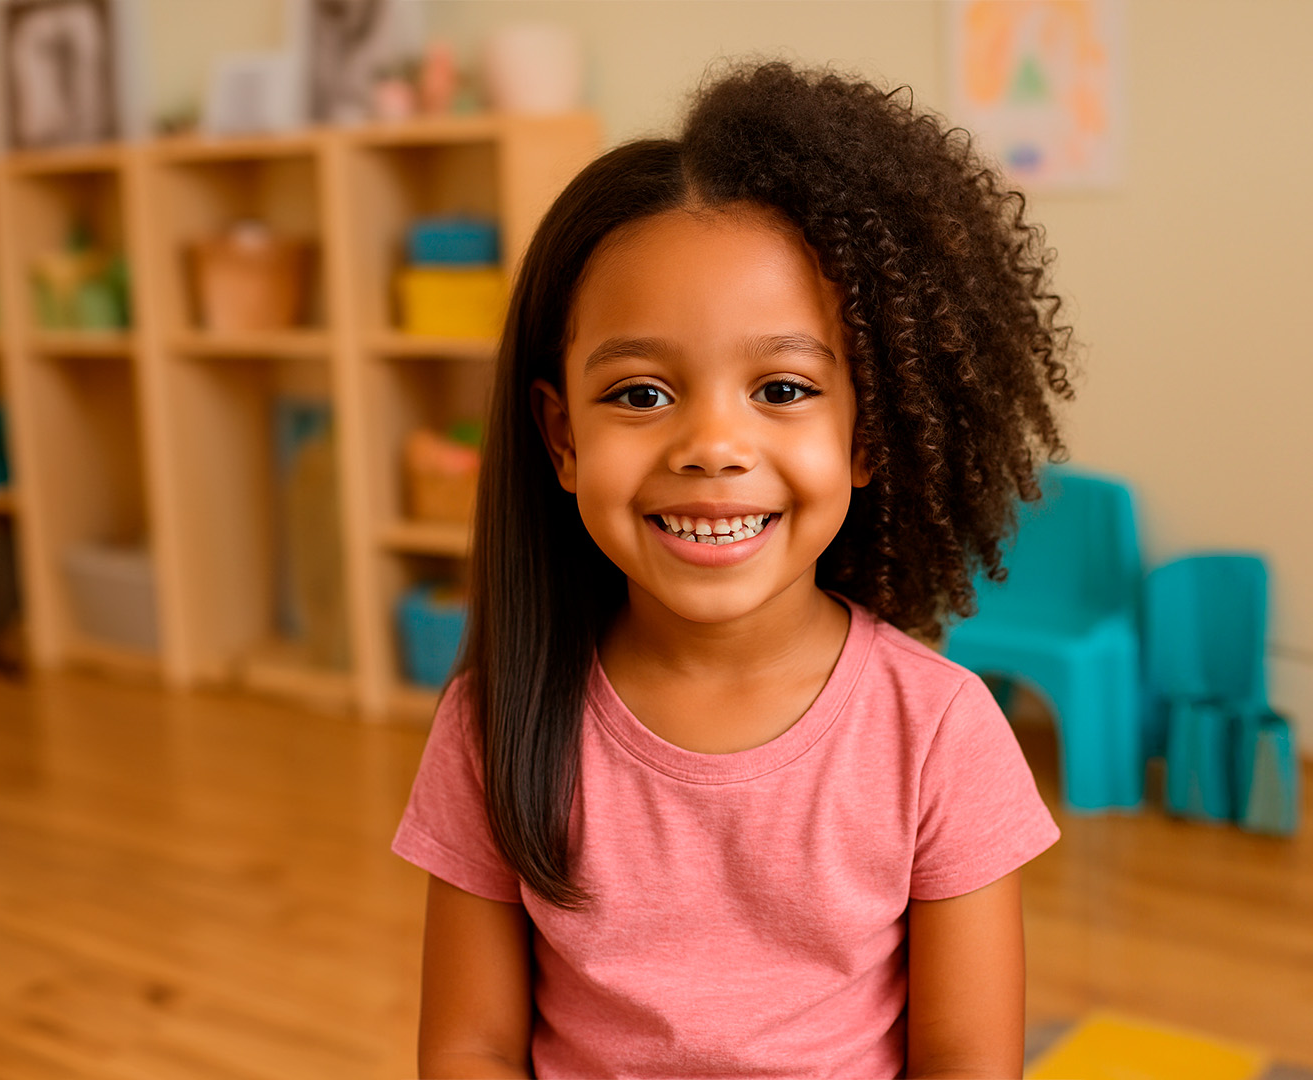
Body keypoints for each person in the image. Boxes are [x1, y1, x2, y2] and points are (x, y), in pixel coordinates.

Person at [394, 61, 1075, 1078]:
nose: (713, 444)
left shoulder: (939, 735)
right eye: (639, 394)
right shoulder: (497, 725)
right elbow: (469, 1048)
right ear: (560, 435)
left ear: (866, 434)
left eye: (784, 386)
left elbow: (968, 1064)